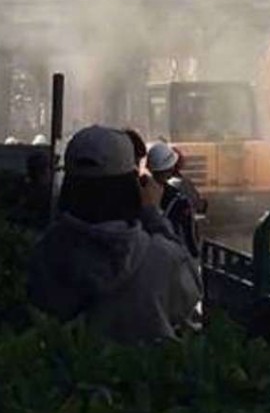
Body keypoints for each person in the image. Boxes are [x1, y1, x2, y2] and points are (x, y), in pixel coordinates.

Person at [27, 126, 201, 343]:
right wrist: (152, 214)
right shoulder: (159, 257)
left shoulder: (46, 252)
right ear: (131, 187)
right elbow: (189, 294)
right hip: (145, 363)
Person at [146, 141, 200, 258]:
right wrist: (194, 257)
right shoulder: (179, 197)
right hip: (173, 256)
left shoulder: (142, 191)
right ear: (172, 167)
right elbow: (188, 235)